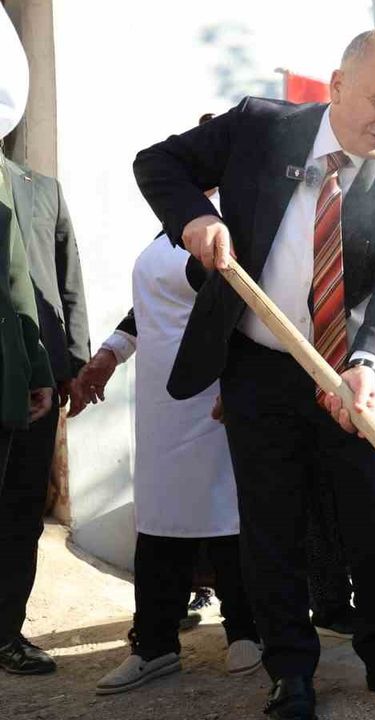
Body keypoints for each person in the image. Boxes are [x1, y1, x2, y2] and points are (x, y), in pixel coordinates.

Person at [133, 30, 375, 720]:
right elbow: (159, 164)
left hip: (349, 370)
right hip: (260, 366)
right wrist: (195, 221)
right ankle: (289, 670)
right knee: (270, 520)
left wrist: (365, 365)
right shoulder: (261, 129)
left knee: (368, 513)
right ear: (335, 85)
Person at [75, 203, 262, 693]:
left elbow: (248, 314)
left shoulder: (232, 225)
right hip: (160, 403)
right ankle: (154, 644)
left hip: (212, 396)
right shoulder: (167, 233)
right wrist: (109, 354)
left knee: (226, 513)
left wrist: (237, 387)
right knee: (159, 517)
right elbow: (147, 307)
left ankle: (245, 629)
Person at [0, 11, 56, 675]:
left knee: (16, 517)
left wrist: (41, 366)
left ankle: (6, 630)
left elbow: (26, 285)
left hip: (12, 384)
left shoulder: (25, 185)